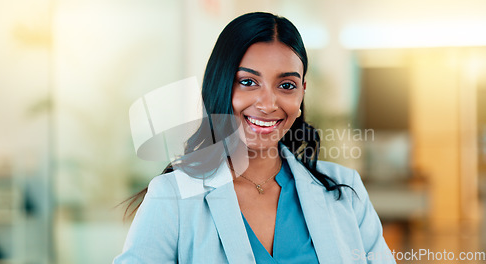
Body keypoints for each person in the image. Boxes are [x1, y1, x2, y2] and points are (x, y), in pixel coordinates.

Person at [114, 12, 396, 264]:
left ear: (302, 94)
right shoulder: (172, 197)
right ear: (221, 85)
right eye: (248, 82)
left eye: (286, 85)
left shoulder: (346, 192)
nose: (268, 103)